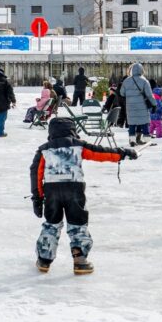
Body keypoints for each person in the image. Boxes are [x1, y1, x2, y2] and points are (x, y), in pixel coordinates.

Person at [30, 117, 136, 274]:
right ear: (72, 130)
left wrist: (37, 198)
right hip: (74, 190)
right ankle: (80, 260)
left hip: (52, 192)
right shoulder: (78, 145)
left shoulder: (44, 149)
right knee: (77, 223)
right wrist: (123, 153)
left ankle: (44, 260)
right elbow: (101, 153)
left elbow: (36, 173)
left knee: (52, 223)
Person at [120, 63, 155, 146]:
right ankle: (147, 140)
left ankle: (132, 140)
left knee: (132, 123)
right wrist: (154, 104)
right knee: (144, 122)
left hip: (130, 106)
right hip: (142, 106)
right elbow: (149, 95)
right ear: (141, 70)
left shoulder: (126, 81)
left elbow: (122, 93)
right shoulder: (144, 81)